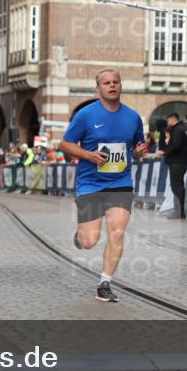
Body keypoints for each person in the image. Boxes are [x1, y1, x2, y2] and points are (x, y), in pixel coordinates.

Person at [59, 69, 148, 303]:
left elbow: (138, 146)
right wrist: (88, 155)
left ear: (121, 85)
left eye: (116, 82)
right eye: (106, 83)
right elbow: (65, 144)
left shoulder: (132, 117)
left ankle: (104, 284)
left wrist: (140, 152)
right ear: (98, 88)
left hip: (120, 183)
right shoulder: (86, 115)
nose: (112, 86)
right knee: (89, 241)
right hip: (90, 184)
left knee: (117, 232)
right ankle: (80, 237)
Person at [159, 111, 187, 219]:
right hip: (181, 161)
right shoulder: (184, 129)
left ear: (173, 119)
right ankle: (180, 211)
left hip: (176, 162)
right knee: (178, 186)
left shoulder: (177, 130)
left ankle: (179, 212)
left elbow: (176, 145)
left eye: (168, 120)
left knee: (176, 187)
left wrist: (165, 152)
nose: (168, 123)